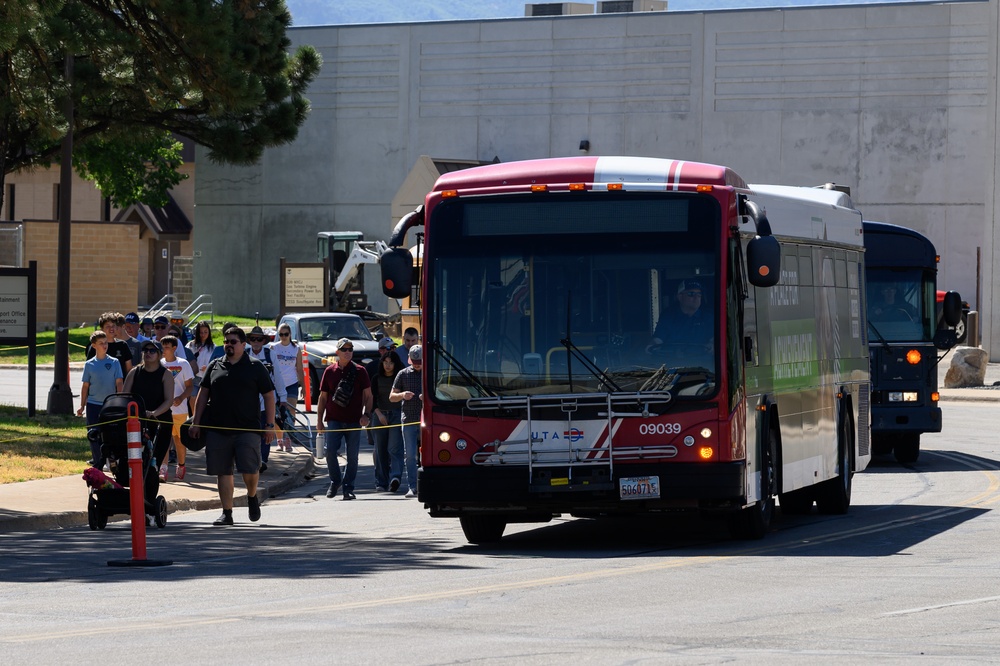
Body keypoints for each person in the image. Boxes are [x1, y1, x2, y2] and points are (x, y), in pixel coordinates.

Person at [189, 326, 276, 526]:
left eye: (233, 342)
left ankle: (252, 496)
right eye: (226, 341)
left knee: (250, 469)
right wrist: (196, 422)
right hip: (218, 429)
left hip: (248, 428)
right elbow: (203, 395)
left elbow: (269, 395)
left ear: (243, 345)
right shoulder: (215, 365)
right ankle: (226, 513)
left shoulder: (255, 366)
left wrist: (269, 425)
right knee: (223, 471)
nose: (228, 344)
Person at [316, 337, 373, 500]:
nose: (348, 352)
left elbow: (368, 396)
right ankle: (335, 481)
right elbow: (322, 397)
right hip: (334, 419)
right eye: (344, 350)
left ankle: (348, 488)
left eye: (350, 349)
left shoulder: (361, 371)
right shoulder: (329, 371)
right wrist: (319, 420)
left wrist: (366, 414)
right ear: (337, 352)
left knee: (353, 455)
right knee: (330, 451)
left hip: (354, 420)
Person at [123, 339, 174, 482]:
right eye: (146, 351)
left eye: (152, 351)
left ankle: (150, 487)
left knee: (153, 462)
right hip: (137, 422)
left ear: (159, 354)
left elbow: (169, 400)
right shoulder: (135, 372)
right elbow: (124, 396)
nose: (148, 353)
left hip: (160, 422)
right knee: (136, 459)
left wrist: (153, 413)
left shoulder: (166, 374)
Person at [77, 330, 124, 467]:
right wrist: (82, 405)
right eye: (101, 343)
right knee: (93, 434)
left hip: (109, 404)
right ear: (94, 345)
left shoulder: (114, 362)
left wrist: (118, 400)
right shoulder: (89, 364)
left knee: (109, 434)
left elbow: (119, 382)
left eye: (105, 343)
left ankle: (112, 460)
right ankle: (98, 462)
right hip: (93, 404)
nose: (104, 345)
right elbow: (86, 386)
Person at [246, 325, 287, 470]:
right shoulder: (244, 354)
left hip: (266, 402)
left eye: (259, 339)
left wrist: (283, 398)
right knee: (250, 433)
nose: (256, 342)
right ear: (249, 341)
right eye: (253, 339)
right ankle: (251, 459)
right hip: (248, 403)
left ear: (263, 341)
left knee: (266, 431)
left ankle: (262, 460)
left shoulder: (271, 354)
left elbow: (278, 377)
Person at [390, 344, 423, 498]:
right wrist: (403, 394)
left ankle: (427, 485)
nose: (417, 364)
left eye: (420, 361)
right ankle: (413, 487)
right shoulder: (402, 374)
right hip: (408, 419)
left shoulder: (431, 373)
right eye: (415, 361)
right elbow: (392, 396)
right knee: (410, 455)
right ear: (410, 359)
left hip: (426, 421)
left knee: (428, 454)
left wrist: (427, 397)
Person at [161, 335, 194, 481]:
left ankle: (181, 465)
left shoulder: (184, 364)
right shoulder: (159, 364)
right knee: (164, 440)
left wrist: (181, 398)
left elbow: (190, 387)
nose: (164, 350)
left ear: (174, 348)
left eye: (167, 347)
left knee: (179, 440)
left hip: (180, 411)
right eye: (163, 347)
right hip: (163, 410)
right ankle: (163, 468)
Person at [370, 350, 404, 492]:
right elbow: (372, 401)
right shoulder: (376, 378)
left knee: (394, 448)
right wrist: (379, 414)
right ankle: (381, 482)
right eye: (386, 362)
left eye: (391, 363)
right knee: (380, 450)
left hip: (396, 415)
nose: (388, 365)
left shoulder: (400, 378)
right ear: (382, 363)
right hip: (379, 415)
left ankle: (395, 478)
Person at [647, 279, 712, 352]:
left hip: (701, 362)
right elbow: (658, 339)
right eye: (691, 294)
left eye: (699, 294)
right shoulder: (668, 316)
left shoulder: (708, 317)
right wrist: (651, 346)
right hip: (670, 361)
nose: (696, 298)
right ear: (680, 296)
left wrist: (712, 345)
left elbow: (714, 340)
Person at [270, 321, 305, 442]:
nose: (284, 337)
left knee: (291, 410)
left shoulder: (296, 349)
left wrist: (304, 388)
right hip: (277, 384)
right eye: (281, 334)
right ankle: (280, 439)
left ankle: (289, 437)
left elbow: (300, 369)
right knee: (278, 412)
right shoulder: (274, 347)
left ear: (290, 334)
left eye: (286, 334)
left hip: (291, 383)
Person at [85, 312, 133, 377]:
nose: (111, 328)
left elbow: (129, 369)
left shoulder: (123, 345)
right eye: (108, 326)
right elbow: (89, 369)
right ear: (102, 329)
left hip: (119, 385)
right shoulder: (95, 346)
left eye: (113, 325)